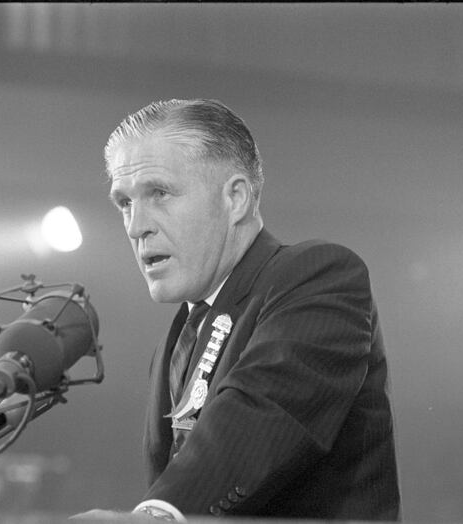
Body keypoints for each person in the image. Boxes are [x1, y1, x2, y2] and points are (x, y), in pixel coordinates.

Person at [78, 99, 400, 521]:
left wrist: (157, 515)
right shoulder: (176, 340)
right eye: (124, 202)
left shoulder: (319, 276)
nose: (137, 225)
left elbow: (263, 411)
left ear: (236, 198)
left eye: (159, 193)